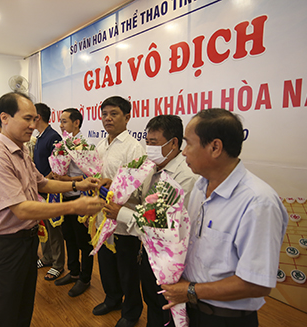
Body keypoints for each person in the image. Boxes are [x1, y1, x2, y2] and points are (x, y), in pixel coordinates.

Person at [0, 92, 104, 327]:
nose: (33, 125)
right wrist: (74, 205)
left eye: (35, 119)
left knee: (23, 311)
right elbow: (21, 209)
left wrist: (78, 184)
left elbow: (42, 183)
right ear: (4, 118)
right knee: (5, 317)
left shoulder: (21, 151)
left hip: (25, 244)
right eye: (27, 118)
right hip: (4, 249)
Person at [160, 109, 288, 327]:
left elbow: (256, 284)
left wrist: (190, 290)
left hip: (223, 319)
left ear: (215, 147)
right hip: (188, 308)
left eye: (188, 144)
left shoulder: (258, 202)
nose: (183, 152)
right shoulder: (200, 187)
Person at [104, 115, 198, 327]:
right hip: (148, 251)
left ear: (173, 143)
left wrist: (120, 213)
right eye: (147, 142)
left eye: (154, 143)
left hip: (171, 259)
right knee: (152, 300)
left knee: (167, 308)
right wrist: (118, 188)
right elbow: (142, 198)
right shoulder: (152, 167)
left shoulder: (184, 176)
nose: (149, 148)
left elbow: (160, 223)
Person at [93, 96, 146, 327]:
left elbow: (140, 188)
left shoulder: (134, 147)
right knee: (106, 264)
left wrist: (111, 185)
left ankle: (131, 311)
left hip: (124, 221)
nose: (107, 118)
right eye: (104, 114)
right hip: (102, 218)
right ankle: (112, 298)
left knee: (127, 269)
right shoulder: (101, 145)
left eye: (113, 114)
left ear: (127, 117)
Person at [52, 108, 93, 297]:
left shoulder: (83, 146)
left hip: (80, 200)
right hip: (64, 198)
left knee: (84, 242)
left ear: (76, 123)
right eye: (60, 121)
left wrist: (65, 180)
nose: (61, 125)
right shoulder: (63, 145)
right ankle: (73, 272)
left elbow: (89, 176)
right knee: (69, 237)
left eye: (65, 121)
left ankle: (85, 278)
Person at [33, 102, 65, 281]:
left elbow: (58, 167)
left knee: (54, 228)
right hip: (40, 188)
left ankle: (58, 264)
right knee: (43, 226)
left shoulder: (53, 137)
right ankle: (47, 257)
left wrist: (45, 181)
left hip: (50, 188)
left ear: (38, 117)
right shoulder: (40, 137)